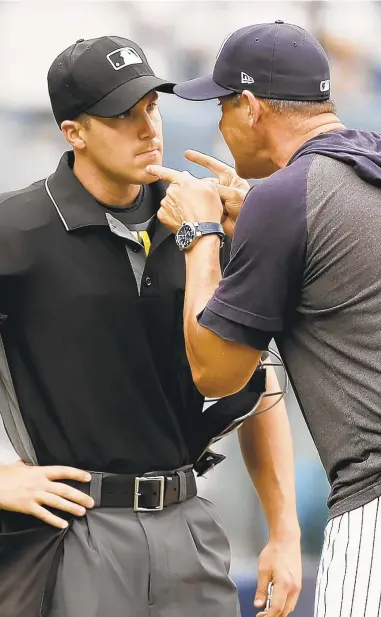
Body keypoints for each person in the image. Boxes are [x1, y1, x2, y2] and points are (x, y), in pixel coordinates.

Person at [147, 21, 381, 617]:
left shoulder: (289, 198)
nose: (219, 124)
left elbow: (215, 373)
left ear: (253, 108)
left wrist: (200, 234)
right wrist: (260, 221)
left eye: (224, 106)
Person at [0, 35, 301, 617]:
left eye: (151, 107)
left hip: (190, 523)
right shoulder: (15, 230)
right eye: (121, 115)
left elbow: (257, 386)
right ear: (74, 132)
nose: (148, 129)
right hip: (76, 532)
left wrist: (284, 532)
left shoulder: (205, 224)